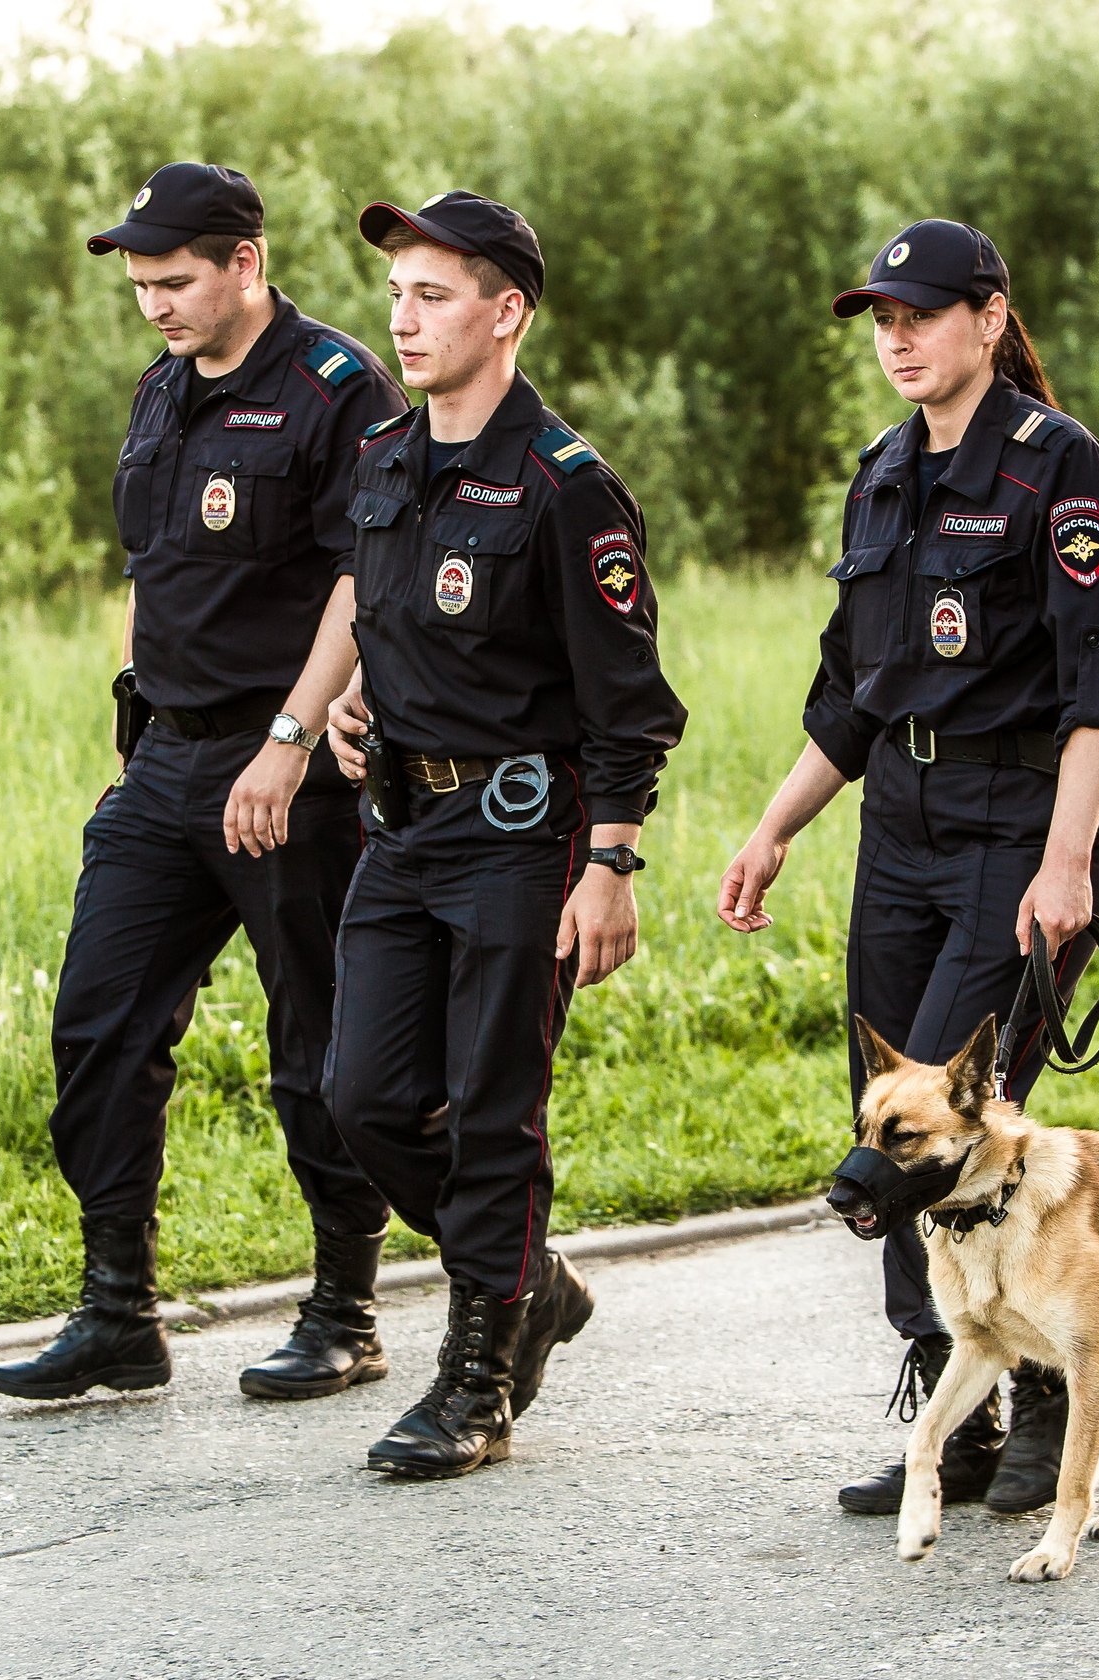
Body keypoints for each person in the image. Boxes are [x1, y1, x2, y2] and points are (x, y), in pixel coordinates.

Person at [715, 219, 1099, 1519]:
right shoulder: (883, 473)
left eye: (920, 313)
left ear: (991, 316)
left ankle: (1053, 1383)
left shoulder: (1060, 470)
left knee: (976, 1105)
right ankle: (947, 1389)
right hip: (899, 819)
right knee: (891, 1121)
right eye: (881, 319)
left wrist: (1068, 858)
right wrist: (775, 824)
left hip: (1022, 821)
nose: (897, 338)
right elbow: (851, 692)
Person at [0, 163, 408, 1407]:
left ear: (245, 265)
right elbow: (150, 571)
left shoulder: (336, 392)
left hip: (289, 771)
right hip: (166, 761)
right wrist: (132, 723)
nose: (155, 306)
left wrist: (285, 740)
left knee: (315, 1047)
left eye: (175, 283)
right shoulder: (159, 394)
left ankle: (344, 1310)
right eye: (141, 287)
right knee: (98, 1028)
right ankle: (118, 1313)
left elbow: (361, 582)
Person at [320, 191, 687, 1479]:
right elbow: (390, 617)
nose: (402, 318)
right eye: (396, 294)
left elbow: (629, 708)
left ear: (505, 311)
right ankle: (528, 1274)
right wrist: (357, 700)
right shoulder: (383, 459)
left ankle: (478, 1377)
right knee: (357, 1094)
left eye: (433, 294)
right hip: (402, 829)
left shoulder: (567, 490)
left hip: (522, 841)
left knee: (490, 1111)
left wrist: (611, 865)